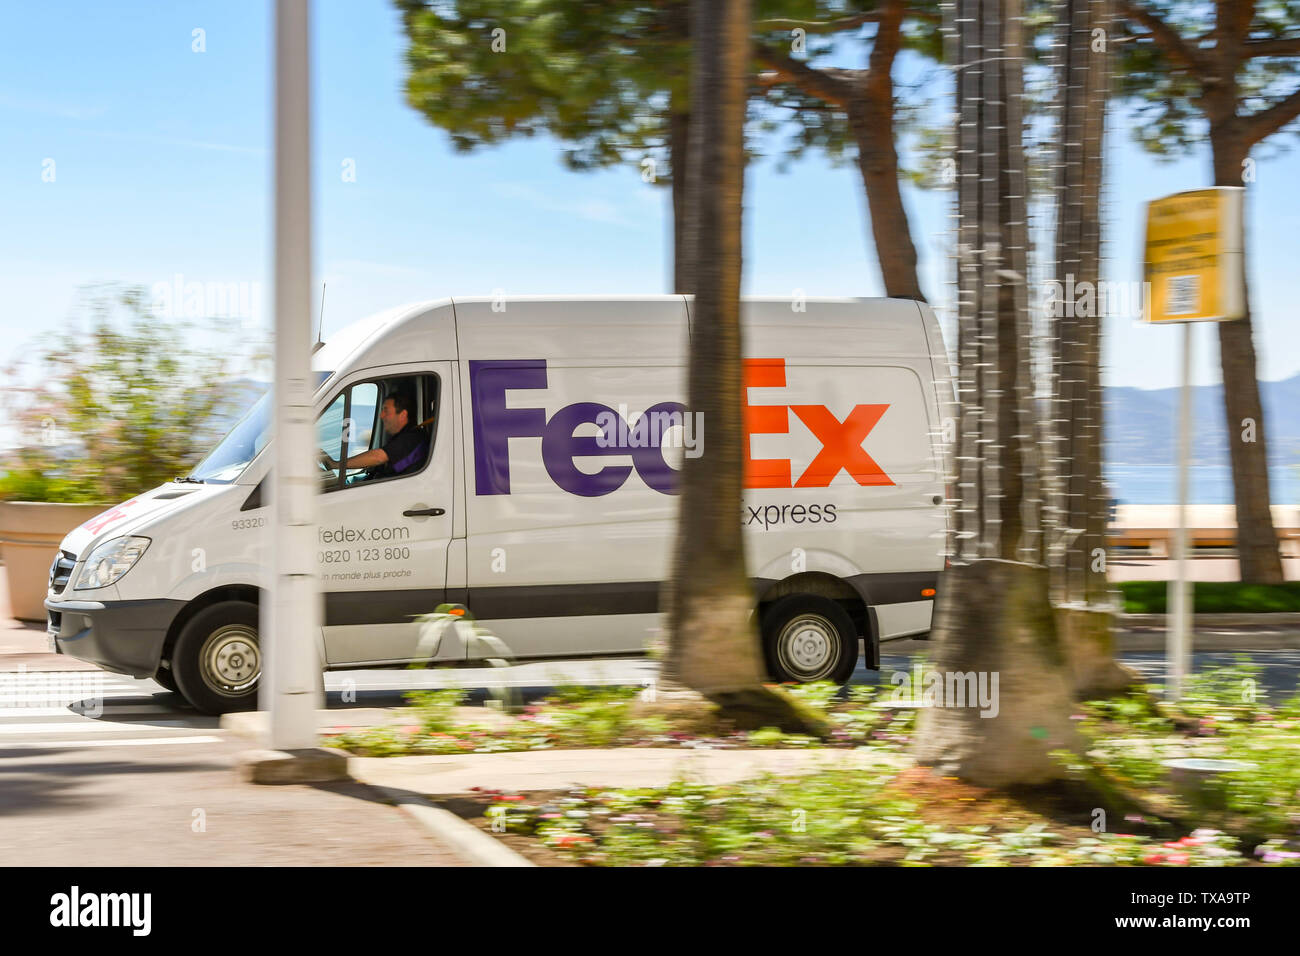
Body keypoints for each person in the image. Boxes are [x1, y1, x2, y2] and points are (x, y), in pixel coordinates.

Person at [320, 392, 427, 480]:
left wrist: (336, 464)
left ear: (403, 414)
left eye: (386, 410)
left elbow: (377, 457)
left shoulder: (412, 439)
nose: (381, 415)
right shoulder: (401, 437)